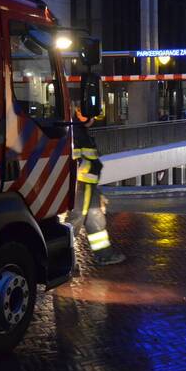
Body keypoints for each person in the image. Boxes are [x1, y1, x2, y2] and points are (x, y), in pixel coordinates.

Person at [69, 105, 126, 266]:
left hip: (88, 184)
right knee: (76, 220)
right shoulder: (75, 133)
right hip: (82, 184)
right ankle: (62, 259)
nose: (93, 119)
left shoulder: (79, 131)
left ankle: (105, 255)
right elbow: (77, 162)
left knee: (95, 219)